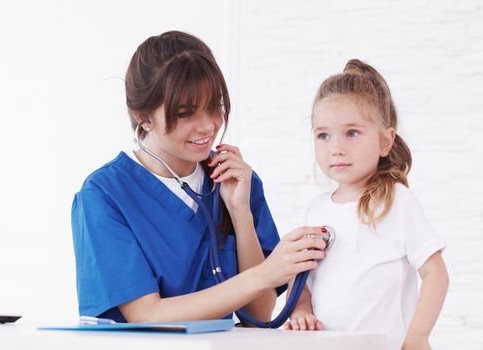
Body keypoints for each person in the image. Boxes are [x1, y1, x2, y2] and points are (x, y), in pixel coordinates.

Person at [71, 31, 326, 325]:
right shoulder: (104, 195)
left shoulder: (236, 181)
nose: (208, 126)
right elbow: (146, 315)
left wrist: (240, 213)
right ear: (143, 115)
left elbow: (259, 312)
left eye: (214, 106)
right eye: (186, 112)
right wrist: (263, 274)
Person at [284, 59, 449, 350]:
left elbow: (436, 274)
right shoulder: (315, 210)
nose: (336, 147)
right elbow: (302, 281)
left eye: (352, 133)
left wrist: (418, 336)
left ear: (386, 142)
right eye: (323, 135)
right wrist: (300, 310)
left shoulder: (398, 203)